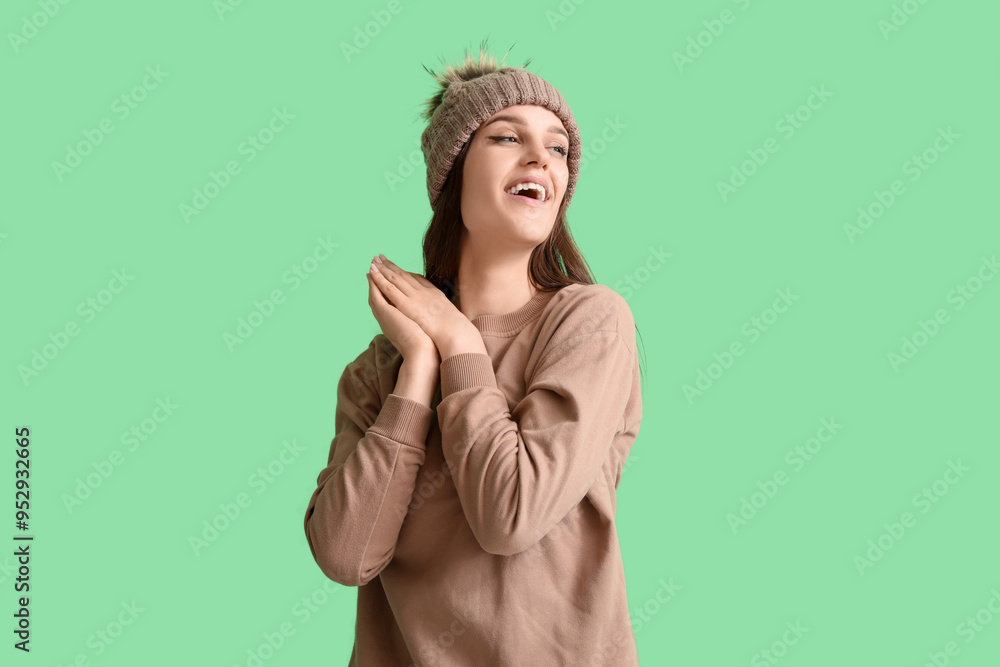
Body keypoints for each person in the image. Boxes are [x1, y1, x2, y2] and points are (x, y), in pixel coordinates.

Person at [303, 40, 646, 666]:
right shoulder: (376, 371)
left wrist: (459, 345)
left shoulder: (590, 323)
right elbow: (346, 556)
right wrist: (417, 374)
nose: (541, 157)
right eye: (507, 138)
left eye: (559, 147)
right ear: (453, 169)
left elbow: (509, 515)